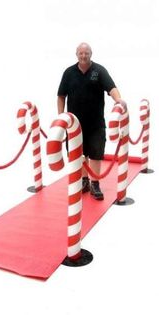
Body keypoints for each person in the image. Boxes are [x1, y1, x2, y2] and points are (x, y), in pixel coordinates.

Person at [57, 42, 123, 200]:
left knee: (95, 154)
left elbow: (111, 88)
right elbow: (61, 96)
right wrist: (61, 117)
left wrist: (118, 99)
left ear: (91, 54)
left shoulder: (99, 71)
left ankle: (95, 184)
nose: (83, 56)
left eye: (86, 53)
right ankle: (84, 181)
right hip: (75, 125)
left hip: (95, 123)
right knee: (80, 154)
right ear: (76, 54)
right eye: (81, 53)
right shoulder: (69, 72)